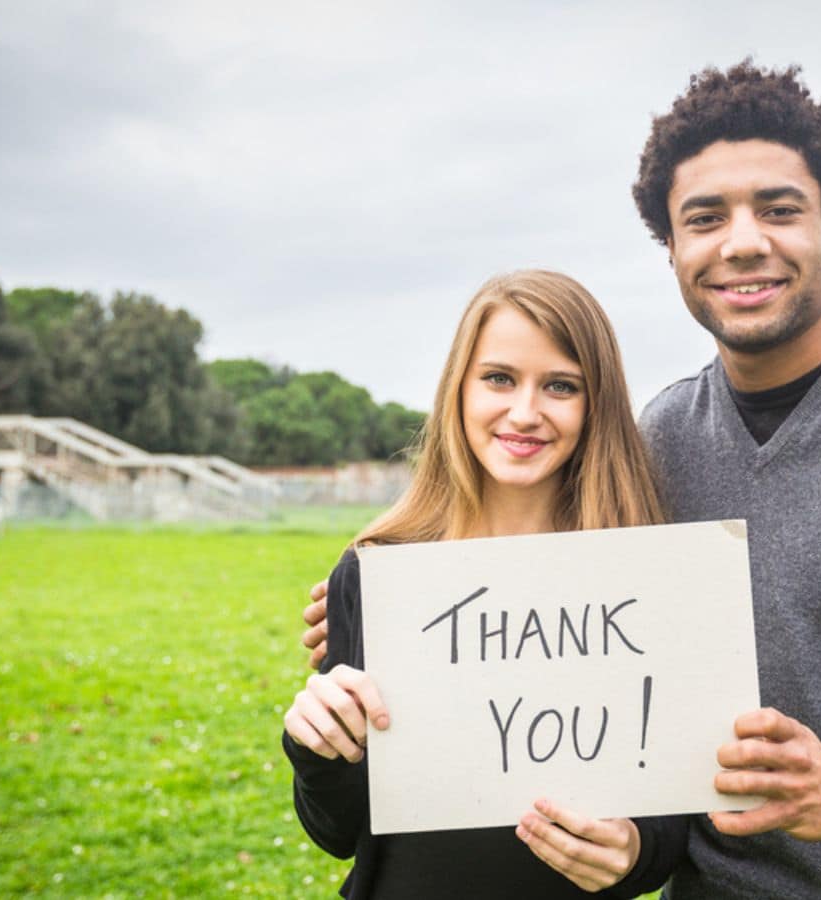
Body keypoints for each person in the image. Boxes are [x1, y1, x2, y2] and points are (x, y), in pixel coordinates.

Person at [305, 62, 821, 898]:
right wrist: (390, 619)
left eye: (779, 209)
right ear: (672, 249)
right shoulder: (654, 439)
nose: (742, 241)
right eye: (705, 218)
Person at [282, 270, 686, 899]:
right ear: (459, 390)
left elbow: (664, 826)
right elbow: (337, 830)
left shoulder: (633, 580)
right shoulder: (378, 570)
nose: (524, 412)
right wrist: (316, 744)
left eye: (560, 386)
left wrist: (633, 852)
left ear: (595, 405)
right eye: (498, 378)